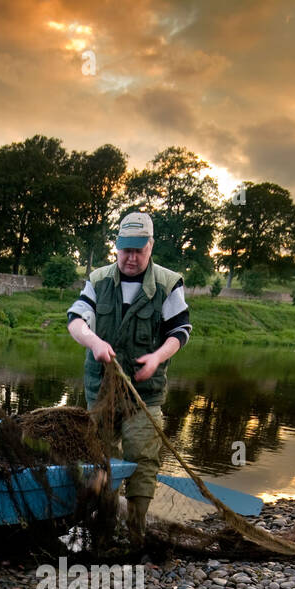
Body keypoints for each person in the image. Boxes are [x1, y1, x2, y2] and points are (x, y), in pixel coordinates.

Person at [67, 211, 192, 544]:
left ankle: (135, 530)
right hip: (101, 393)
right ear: (117, 247)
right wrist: (93, 341)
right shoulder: (98, 279)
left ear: (150, 246)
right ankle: (102, 528)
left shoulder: (168, 283)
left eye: (138, 249)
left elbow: (179, 332)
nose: (131, 257)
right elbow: (76, 320)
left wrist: (157, 357)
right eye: (125, 249)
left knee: (142, 458)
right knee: (99, 459)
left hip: (144, 395)